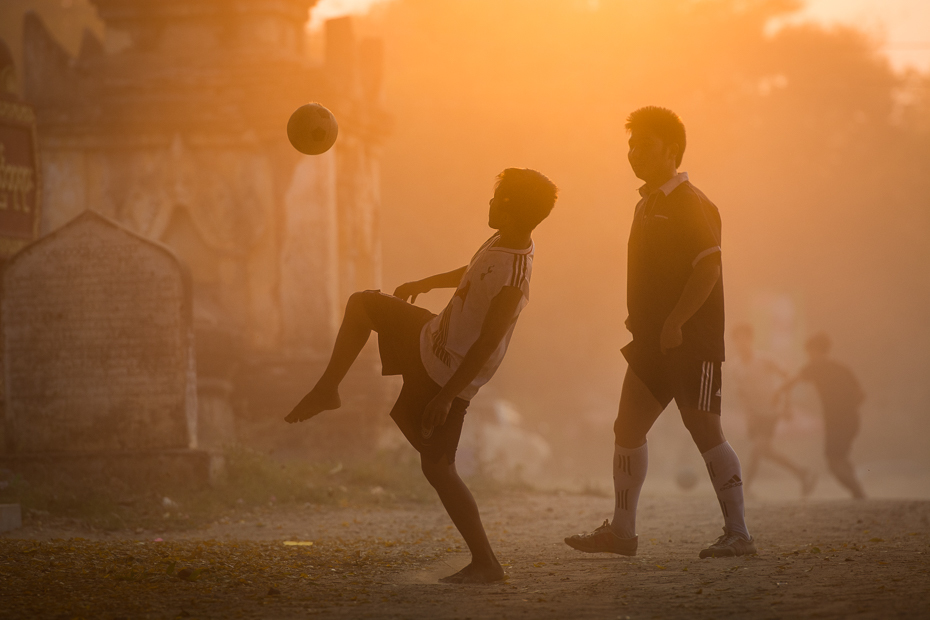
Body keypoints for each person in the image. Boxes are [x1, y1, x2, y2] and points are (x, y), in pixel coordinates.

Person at [285, 168, 558, 583]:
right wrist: (425, 282)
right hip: (430, 336)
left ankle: (486, 563)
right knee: (363, 305)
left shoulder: (516, 280)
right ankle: (328, 388)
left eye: (495, 197)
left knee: (438, 468)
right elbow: (472, 270)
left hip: (450, 372)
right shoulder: (503, 237)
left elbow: (487, 343)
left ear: (510, 208)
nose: (488, 202)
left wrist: (447, 396)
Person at [564, 106, 755, 559]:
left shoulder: (693, 202)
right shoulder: (647, 203)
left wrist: (676, 321)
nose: (633, 154)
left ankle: (739, 534)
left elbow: (709, 265)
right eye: (630, 146)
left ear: (672, 150)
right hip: (651, 344)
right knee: (627, 426)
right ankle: (622, 532)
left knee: (705, 429)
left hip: (691, 342)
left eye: (644, 146)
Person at [775, 332, 866, 499]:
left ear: (815, 350)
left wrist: (777, 394)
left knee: (833, 462)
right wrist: (848, 407)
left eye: (810, 352)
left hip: (837, 422)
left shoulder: (815, 367)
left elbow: (791, 382)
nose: (809, 356)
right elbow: (861, 395)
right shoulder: (842, 368)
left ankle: (858, 493)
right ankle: (857, 492)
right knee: (841, 457)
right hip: (852, 419)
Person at [730, 323, 815, 497]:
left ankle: (744, 490)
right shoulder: (735, 367)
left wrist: (787, 404)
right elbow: (741, 394)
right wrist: (748, 415)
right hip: (754, 415)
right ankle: (802, 473)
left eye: (744, 339)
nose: (741, 344)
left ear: (750, 340)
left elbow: (788, 378)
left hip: (770, 411)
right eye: (737, 340)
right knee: (764, 452)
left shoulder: (765, 359)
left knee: (758, 449)